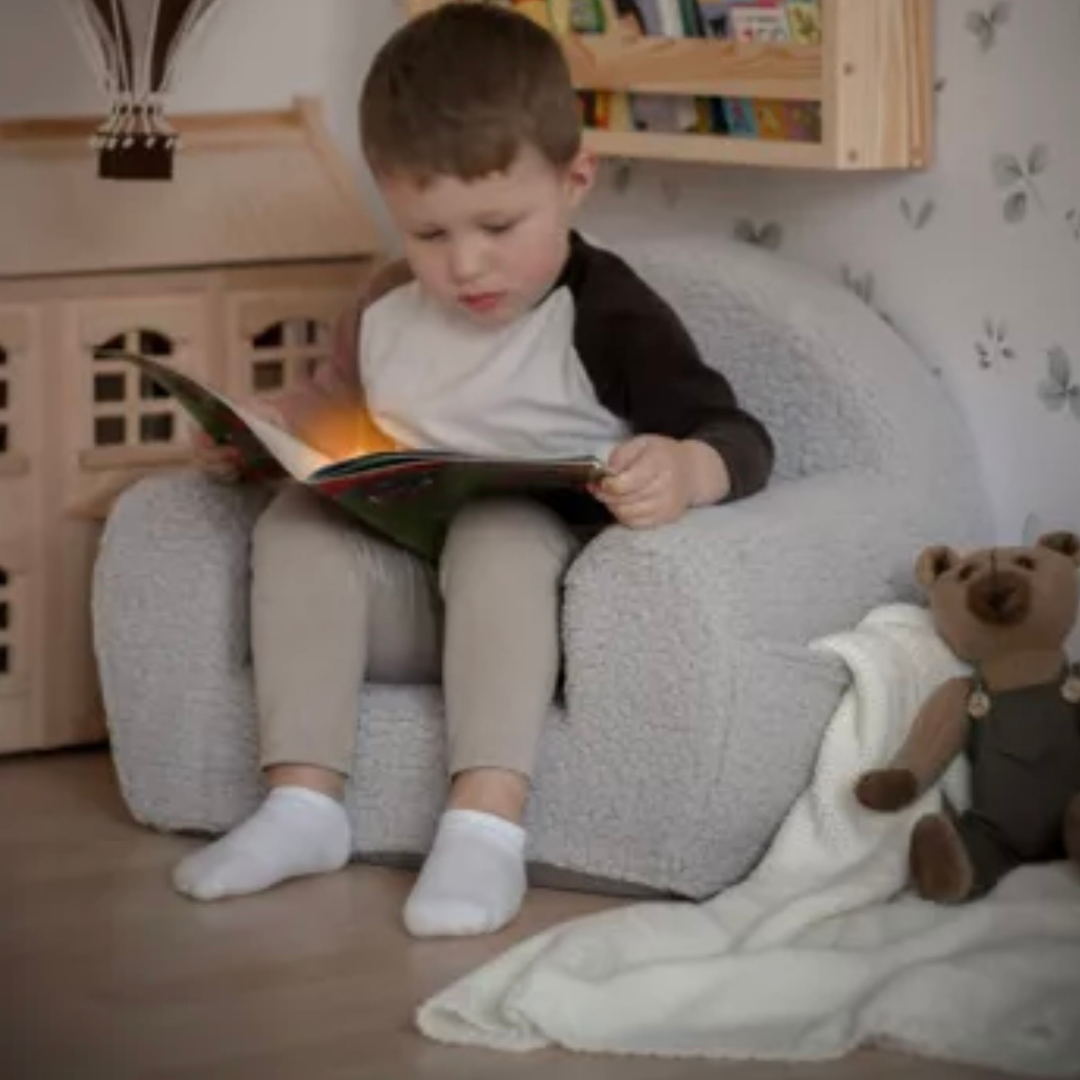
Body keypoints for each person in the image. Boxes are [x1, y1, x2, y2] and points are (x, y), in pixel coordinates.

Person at [173, 2, 773, 937]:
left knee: (500, 527)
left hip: (534, 619)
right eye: (428, 234)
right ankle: (302, 805)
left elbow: (736, 433)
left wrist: (686, 468)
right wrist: (262, 435)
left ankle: (486, 825)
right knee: (298, 520)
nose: (465, 265)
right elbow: (333, 410)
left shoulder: (608, 313)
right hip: (412, 603)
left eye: (497, 224)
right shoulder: (386, 307)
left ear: (575, 181)